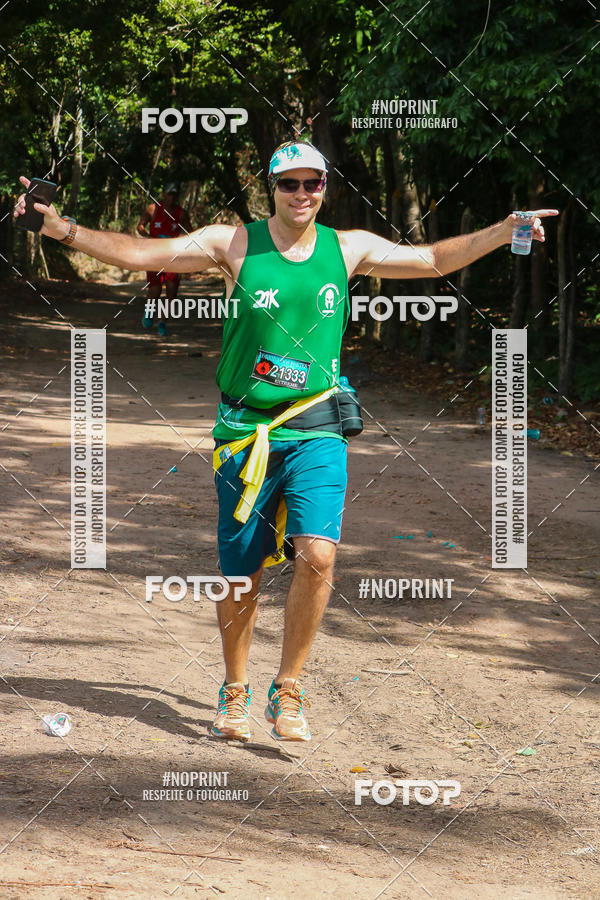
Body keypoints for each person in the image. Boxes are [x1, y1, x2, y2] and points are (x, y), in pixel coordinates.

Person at [14, 143, 557, 743]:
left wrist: (504, 232)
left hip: (317, 423)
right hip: (245, 429)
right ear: (270, 188)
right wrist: (59, 227)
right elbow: (143, 251)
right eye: (290, 184)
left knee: (319, 554)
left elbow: (431, 260)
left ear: (326, 187)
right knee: (241, 575)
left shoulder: (346, 248)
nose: (303, 194)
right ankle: (235, 687)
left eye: (313, 183)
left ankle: (289, 687)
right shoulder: (234, 244)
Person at [137, 182, 192, 336]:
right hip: (154, 254)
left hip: (173, 257)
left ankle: (162, 322)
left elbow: (191, 232)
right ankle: (149, 313)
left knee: (171, 291)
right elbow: (140, 226)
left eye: (175, 194)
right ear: (163, 194)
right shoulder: (152, 209)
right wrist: (148, 237)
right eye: (169, 194)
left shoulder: (181, 214)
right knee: (154, 289)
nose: (172, 197)